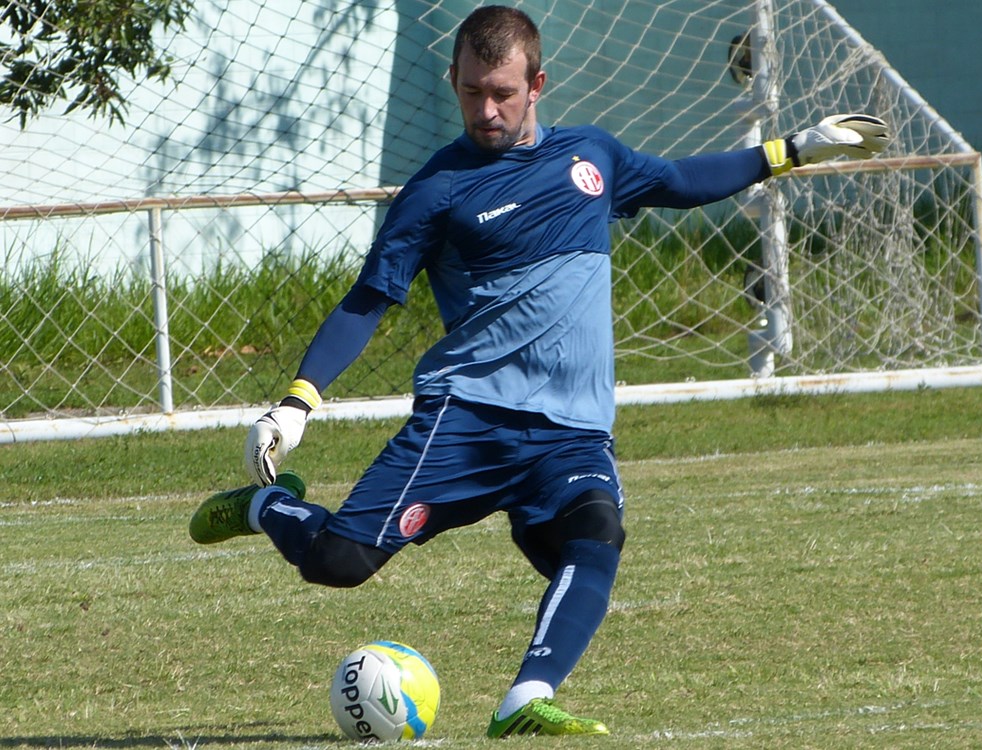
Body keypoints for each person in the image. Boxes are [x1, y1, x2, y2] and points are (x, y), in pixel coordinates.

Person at [189, 5, 888, 738]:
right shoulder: (438, 191)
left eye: (502, 93)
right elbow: (368, 301)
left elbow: (682, 181)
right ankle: (266, 507)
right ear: (454, 81)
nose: (485, 111)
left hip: (572, 430)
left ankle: (526, 698)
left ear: (537, 84)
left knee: (597, 534)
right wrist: (297, 403)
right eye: (470, 93)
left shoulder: (592, 158)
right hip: (468, 420)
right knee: (339, 562)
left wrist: (793, 150)